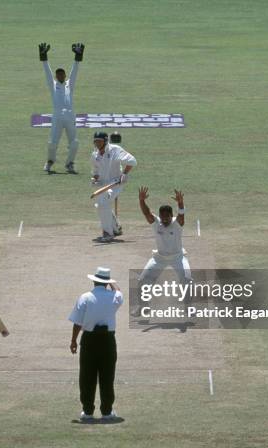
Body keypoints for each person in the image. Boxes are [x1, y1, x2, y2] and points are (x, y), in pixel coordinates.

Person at [69, 267, 123, 422]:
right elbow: (119, 292)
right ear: (106, 283)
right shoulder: (114, 297)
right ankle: (106, 411)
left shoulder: (85, 297)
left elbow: (77, 323)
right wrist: (112, 282)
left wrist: (73, 341)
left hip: (89, 340)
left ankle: (87, 412)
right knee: (107, 376)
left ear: (93, 281)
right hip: (108, 340)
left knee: (87, 376)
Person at [133, 186, 190, 316]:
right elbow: (147, 213)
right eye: (162, 216)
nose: (164, 219)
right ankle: (143, 308)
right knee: (142, 281)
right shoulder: (156, 223)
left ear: (171, 216)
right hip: (159, 258)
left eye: (167, 217)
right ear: (159, 216)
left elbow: (181, 215)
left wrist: (180, 202)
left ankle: (188, 308)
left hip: (178, 258)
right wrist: (141, 200)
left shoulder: (177, 224)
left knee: (187, 280)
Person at [38, 42, 85, 174]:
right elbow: (47, 72)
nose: (60, 76)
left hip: (70, 117)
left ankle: (69, 164)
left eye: (62, 74)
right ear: (55, 76)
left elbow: (75, 71)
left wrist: (78, 57)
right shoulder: (53, 85)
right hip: (57, 117)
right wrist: (44, 57)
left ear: (64, 75)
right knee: (52, 143)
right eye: (57, 74)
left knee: (74, 143)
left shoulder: (70, 84)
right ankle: (50, 161)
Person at [91, 132, 137, 242]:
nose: (97, 143)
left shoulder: (115, 149)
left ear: (106, 141)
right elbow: (96, 171)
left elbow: (132, 161)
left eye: (99, 141)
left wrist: (124, 174)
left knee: (103, 203)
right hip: (102, 184)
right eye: (95, 141)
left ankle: (108, 233)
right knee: (100, 205)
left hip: (116, 182)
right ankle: (116, 228)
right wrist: (95, 178)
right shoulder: (94, 155)